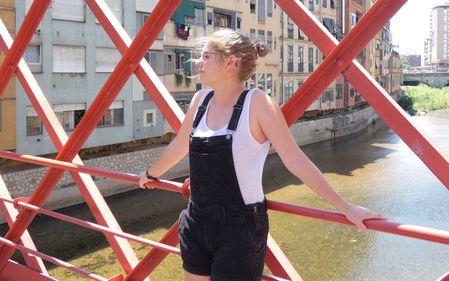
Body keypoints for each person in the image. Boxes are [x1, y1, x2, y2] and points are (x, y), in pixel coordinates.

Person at [139, 29, 384, 281]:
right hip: (196, 218)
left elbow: (294, 159)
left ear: (230, 63)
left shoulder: (257, 103)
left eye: (206, 57)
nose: (197, 63)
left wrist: (345, 207)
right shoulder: (200, 100)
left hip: (238, 227)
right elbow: (180, 145)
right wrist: (149, 175)